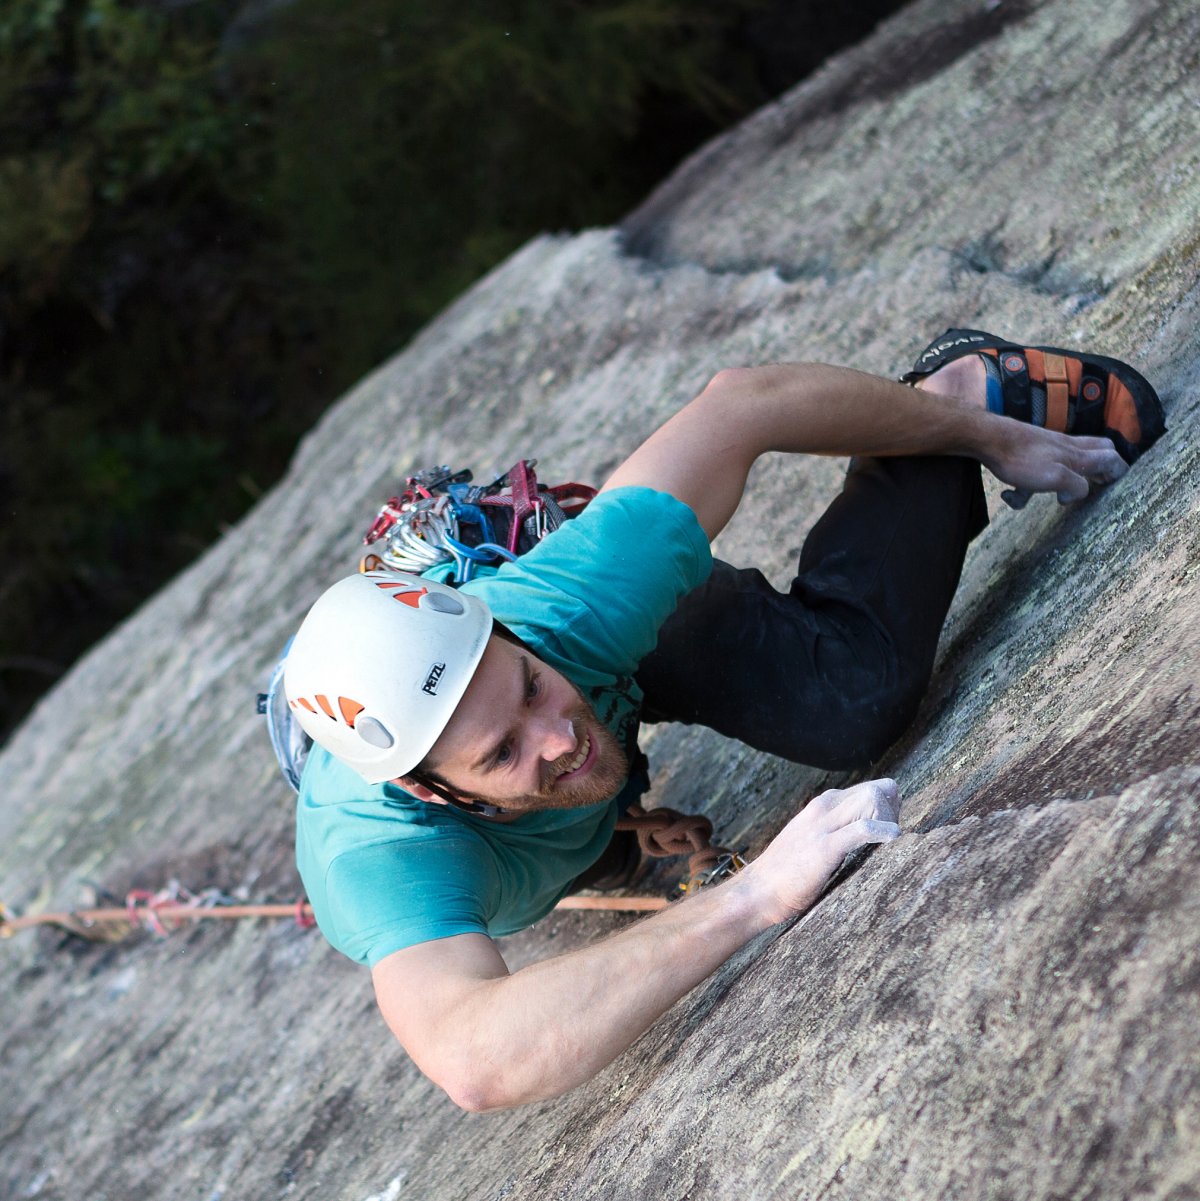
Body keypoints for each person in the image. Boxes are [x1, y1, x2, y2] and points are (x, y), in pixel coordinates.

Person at [283, 328, 1163, 1112]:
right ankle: (602, 818)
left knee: (847, 700)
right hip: (511, 775)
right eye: (503, 749)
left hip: (590, 642)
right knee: (584, 818)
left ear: (504, 628)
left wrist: (990, 432)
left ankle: (953, 392)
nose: (554, 732)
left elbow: (742, 404)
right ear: (426, 791)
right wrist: (756, 895)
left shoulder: (565, 605)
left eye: (527, 688)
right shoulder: (383, 863)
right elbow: (478, 1057)